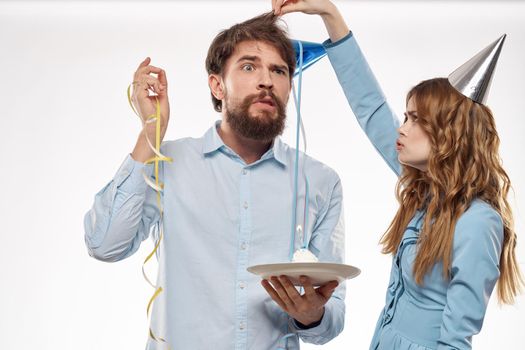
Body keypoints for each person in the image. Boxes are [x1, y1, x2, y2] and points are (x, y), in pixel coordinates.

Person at [84, 13, 346, 349]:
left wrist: (312, 315)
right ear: (217, 85)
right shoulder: (168, 163)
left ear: (289, 88)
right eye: (249, 67)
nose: (266, 80)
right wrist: (151, 131)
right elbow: (104, 245)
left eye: (279, 70)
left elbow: (333, 315)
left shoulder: (321, 182)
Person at [272, 0, 524, 349]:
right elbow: (371, 108)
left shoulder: (479, 222)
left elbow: (455, 341)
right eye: (405, 117)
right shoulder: (426, 193)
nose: (401, 129)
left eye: (415, 119)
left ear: (449, 135)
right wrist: (329, 13)